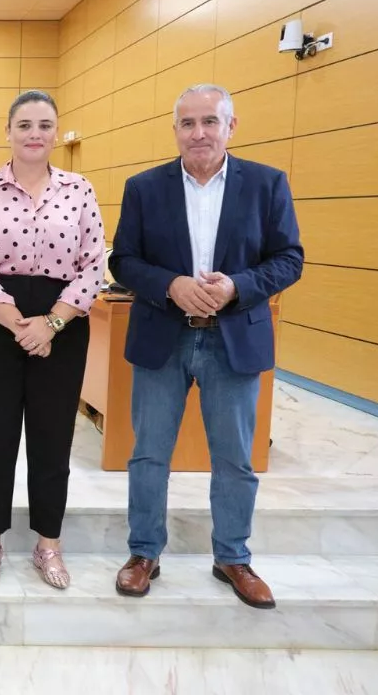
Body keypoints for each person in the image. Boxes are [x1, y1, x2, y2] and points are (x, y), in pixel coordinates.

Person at [110, 83, 303, 609]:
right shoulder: (143, 188)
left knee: (235, 459)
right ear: (175, 129)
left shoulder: (266, 184)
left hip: (233, 339)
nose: (199, 133)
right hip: (163, 337)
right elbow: (123, 260)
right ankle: (143, 553)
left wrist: (237, 286)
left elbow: (289, 258)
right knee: (149, 454)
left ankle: (233, 557)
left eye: (210, 121)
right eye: (188, 123)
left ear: (230, 126)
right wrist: (170, 284)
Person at [0, 90, 105, 590]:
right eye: (24, 125)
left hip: (62, 326)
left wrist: (51, 324)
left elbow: (93, 265)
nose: (34, 134)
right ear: (8, 132)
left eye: (44, 125)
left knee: (52, 440)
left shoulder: (79, 189)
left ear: (56, 133)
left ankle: (48, 545)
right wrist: (18, 323)